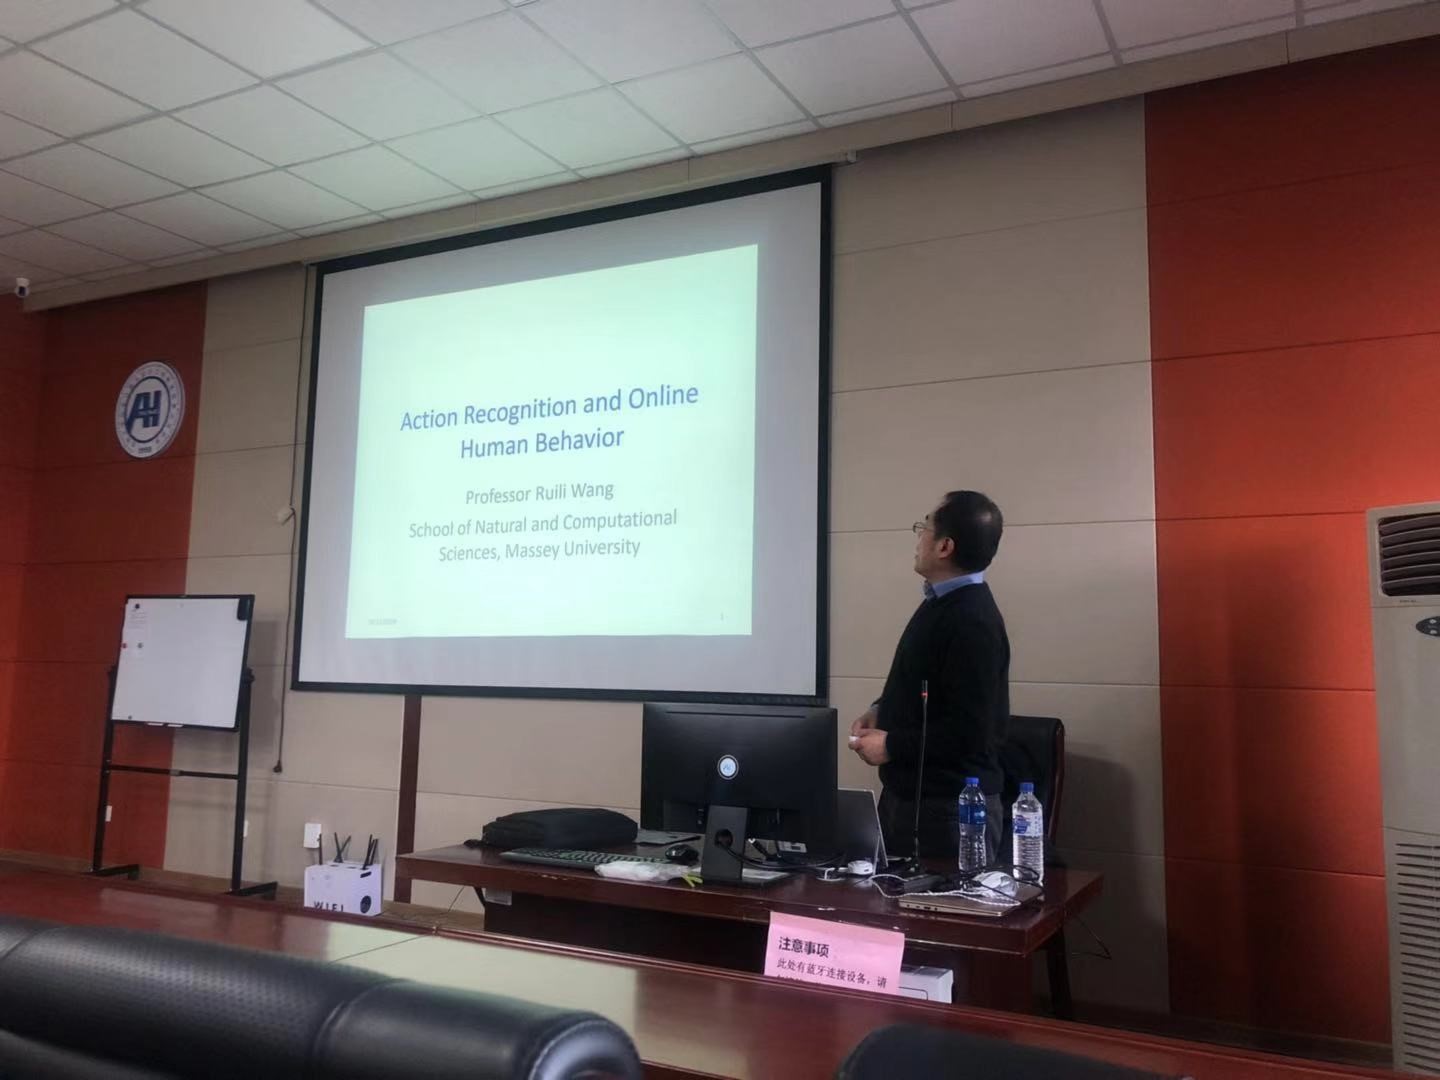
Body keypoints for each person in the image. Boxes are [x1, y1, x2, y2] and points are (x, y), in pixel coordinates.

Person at [850, 490, 1010, 863]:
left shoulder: (972, 621)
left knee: (937, 901)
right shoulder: (941, 602)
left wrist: (892, 745)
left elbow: (972, 731)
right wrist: (881, 709)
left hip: (950, 811)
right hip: (914, 799)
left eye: (924, 527)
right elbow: (927, 681)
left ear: (944, 547)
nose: (918, 537)